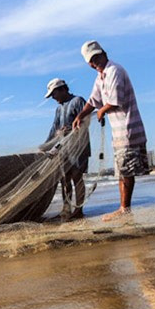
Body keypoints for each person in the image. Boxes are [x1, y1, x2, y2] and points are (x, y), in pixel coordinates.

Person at [73, 40, 149, 221]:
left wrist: (101, 111)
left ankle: (125, 209)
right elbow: (93, 100)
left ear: (104, 53)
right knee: (122, 172)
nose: (93, 63)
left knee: (126, 172)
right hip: (119, 133)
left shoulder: (114, 70)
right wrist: (81, 115)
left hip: (129, 129)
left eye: (95, 58)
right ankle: (124, 208)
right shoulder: (101, 76)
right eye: (90, 61)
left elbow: (115, 101)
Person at [43, 78, 90, 220]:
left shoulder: (77, 101)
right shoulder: (59, 108)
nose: (53, 98)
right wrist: (46, 145)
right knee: (64, 179)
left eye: (54, 94)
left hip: (79, 147)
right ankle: (66, 208)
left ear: (63, 89)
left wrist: (71, 129)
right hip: (64, 148)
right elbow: (54, 129)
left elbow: (86, 120)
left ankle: (79, 209)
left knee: (77, 177)